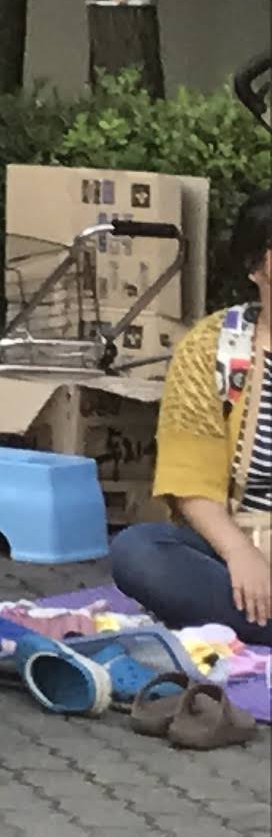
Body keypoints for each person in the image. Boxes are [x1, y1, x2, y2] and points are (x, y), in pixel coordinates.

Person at [110, 189, 272, 643]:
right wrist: (240, 554)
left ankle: (250, 624)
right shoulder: (212, 346)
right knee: (139, 551)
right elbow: (191, 482)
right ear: (255, 267)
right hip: (245, 541)